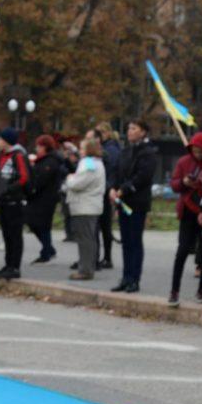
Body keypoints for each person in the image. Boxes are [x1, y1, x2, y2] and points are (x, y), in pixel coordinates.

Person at [108, 119, 158, 293]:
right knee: (126, 242)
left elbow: (142, 176)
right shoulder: (126, 151)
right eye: (128, 128)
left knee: (135, 241)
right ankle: (125, 277)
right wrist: (113, 188)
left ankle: (134, 279)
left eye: (134, 128)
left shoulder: (148, 152)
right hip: (123, 202)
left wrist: (124, 189)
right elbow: (116, 171)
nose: (129, 131)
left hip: (137, 203)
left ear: (143, 132)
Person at [167, 132, 202, 305]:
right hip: (187, 211)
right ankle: (174, 290)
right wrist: (184, 182)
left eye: (201, 151)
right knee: (182, 250)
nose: (198, 154)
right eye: (195, 150)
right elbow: (174, 184)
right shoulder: (184, 162)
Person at [64, 136, 106, 281]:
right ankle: (86, 267)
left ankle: (86, 270)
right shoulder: (92, 162)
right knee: (87, 239)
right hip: (87, 206)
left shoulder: (89, 164)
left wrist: (70, 178)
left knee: (86, 240)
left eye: (82, 148)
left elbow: (79, 183)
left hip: (85, 206)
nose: (79, 151)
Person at [0, 128, 30, 280]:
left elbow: (24, 177)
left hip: (14, 200)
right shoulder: (3, 156)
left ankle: (15, 267)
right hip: (3, 201)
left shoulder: (18, 156)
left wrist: (9, 189)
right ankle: (8, 265)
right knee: (6, 235)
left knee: (14, 235)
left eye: (0, 139)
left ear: (6, 141)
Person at [25, 134, 65, 265]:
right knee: (37, 223)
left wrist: (32, 185)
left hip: (46, 197)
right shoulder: (44, 159)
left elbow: (42, 178)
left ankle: (47, 251)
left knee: (41, 224)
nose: (37, 148)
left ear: (45, 147)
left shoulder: (51, 161)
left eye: (39, 146)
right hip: (41, 197)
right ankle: (48, 249)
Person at [95, 122, 120, 270]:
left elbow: (111, 171)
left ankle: (103, 258)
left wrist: (109, 187)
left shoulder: (108, 150)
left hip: (104, 191)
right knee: (105, 227)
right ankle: (106, 257)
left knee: (102, 227)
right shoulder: (113, 147)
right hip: (106, 189)